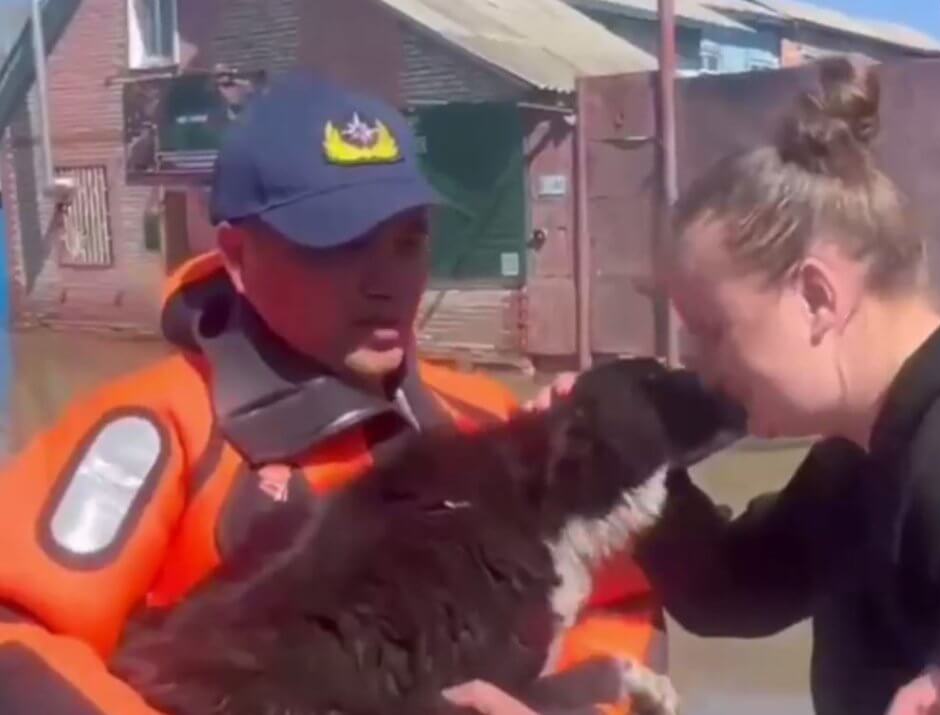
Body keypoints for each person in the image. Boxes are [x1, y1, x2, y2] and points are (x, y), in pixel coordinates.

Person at [478, 56, 940, 715]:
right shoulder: (872, 448)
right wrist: (619, 452)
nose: (699, 363)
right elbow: (736, 587)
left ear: (817, 296)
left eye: (712, 328)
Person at [0, 72, 663, 714]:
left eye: (408, 243)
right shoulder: (156, 429)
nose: (386, 283)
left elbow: (619, 601)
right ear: (237, 255)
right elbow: (13, 631)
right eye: (339, 248)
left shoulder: (484, 422)